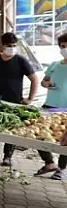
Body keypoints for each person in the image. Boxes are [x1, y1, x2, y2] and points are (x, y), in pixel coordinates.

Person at [0, 31, 38, 166]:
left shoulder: (21, 61)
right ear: (0, 46)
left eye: (13, 45)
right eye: (8, 45)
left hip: (14, 102)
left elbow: (34, 79)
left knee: (11, 130)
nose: (11, 48)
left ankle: (8, 156)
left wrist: (30, 99)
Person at [36, 34, 67, 180]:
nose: (65, 49)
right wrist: (46, 84)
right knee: (38, 135)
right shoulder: (54, 65)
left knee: (65, 141)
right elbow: (44, 81)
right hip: (49, 106)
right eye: (62, 46)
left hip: (65, 110)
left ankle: (61, 169)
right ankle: (49, 163)